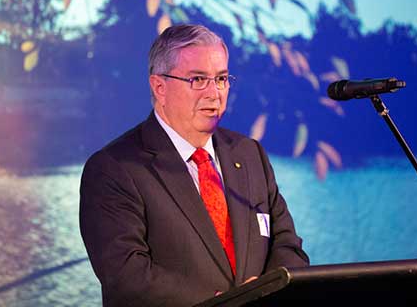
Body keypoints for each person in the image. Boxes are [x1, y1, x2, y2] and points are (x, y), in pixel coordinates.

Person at [79, 24, 309, 306]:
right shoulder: (114, 168)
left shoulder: (250, 154)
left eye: (222, 78)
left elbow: (287, 247)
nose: (214, 93)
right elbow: (127, 275)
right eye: (198, 79)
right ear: (159, 87)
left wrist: (267, 291)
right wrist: (229, 302)